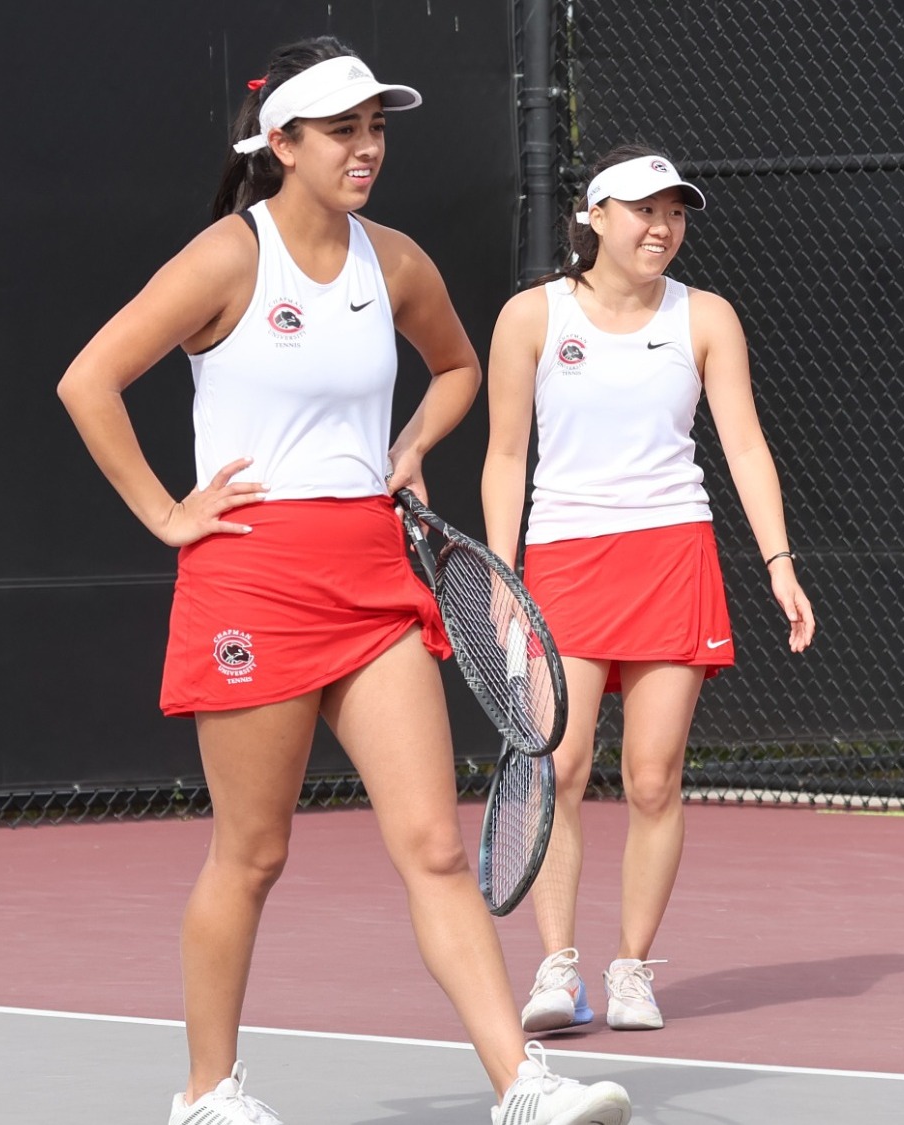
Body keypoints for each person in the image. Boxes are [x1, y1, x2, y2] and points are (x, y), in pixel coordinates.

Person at [57, 36, 632, 1125]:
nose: (366, 150)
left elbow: (458, 366)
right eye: (342, 131)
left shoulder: (396, 262)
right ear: (280, 144)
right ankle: (207, 1093)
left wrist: (410, 443)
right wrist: (166, 514)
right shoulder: (228, 258)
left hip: (371, 577)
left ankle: (521, 1085)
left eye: (377, 129)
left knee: (430, 844)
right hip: (252, 583)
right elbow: (88, 379)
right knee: (253, 853)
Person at [482, 145, 817, 1034]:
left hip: (673, 555)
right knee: (558, 764)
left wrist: (779, 562)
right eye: (643, 210)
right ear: (594, 217)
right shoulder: (531, 318)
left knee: (654, 778)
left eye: (674, 212)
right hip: (562, 560)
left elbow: (744, 445)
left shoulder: (705, 317)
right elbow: (507, 454)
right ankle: (558, 969)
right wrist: (500, 572)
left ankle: (631, 967)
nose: (662, 227)